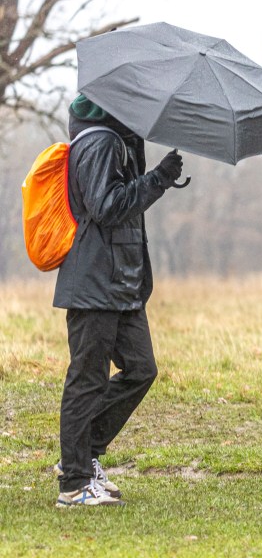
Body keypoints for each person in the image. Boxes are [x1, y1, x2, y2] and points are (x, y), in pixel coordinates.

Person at [52, 94, 183, 506]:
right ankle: (73, 483)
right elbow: (107, 207)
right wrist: (158, 178)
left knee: (141, 369)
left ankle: (83, 454)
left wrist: (151, 168)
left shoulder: (120, 139)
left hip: (122, 284)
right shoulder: (98, 141)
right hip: (94, 282)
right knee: (87, 380)